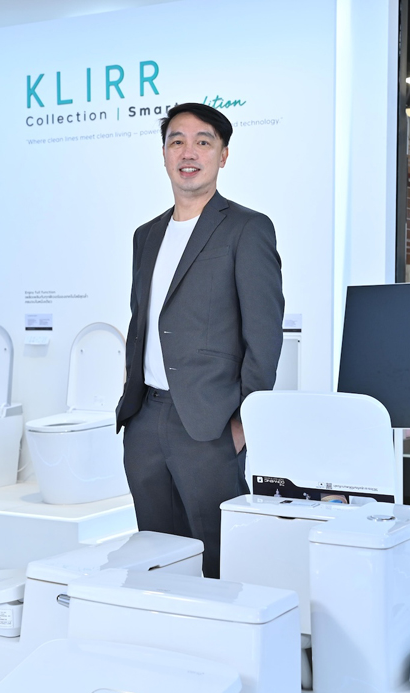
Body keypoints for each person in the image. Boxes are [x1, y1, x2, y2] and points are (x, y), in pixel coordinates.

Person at [115, 103, 284, 578]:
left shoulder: (247, 228)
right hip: (145, 421)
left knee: (218, 558)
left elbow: (264, 333)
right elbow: (142, 319)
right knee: (156, 555)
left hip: (210, 425)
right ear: (164, 154)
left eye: (203, 142)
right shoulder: (146, 235)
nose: (188, 153)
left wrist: (242, 423)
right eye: (177, 142)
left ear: (223, 155)